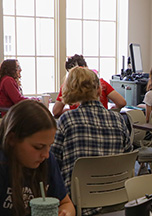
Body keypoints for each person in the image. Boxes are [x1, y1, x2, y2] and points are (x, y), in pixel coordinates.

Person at [52, 65, 133, 197]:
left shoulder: (67, 120)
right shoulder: (118, 120)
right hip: (115, 197)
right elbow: (127, 158)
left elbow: (54, 161)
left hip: (79, 201)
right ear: (99, 89)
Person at [53, 54, 126, 117]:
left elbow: (56, 112)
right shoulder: (100, 83)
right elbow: (121, 102)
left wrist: (69, 111)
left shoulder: (67, 86)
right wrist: (109, 111)